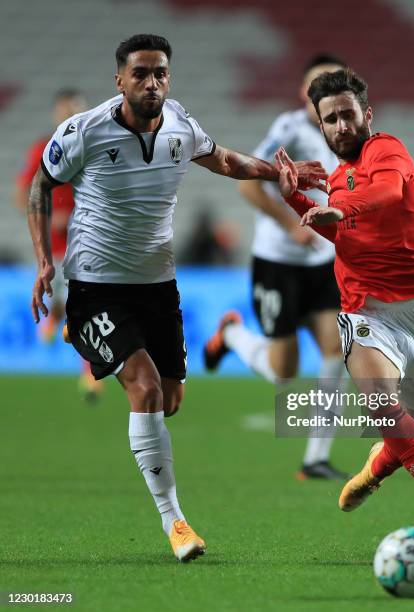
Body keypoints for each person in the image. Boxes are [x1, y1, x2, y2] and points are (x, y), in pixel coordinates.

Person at [27, 34, 327, 562]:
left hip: (157, 286)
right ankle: (177, 523)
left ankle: (99, 343)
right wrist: (44, 262)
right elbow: (39, 186)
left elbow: (228, 162)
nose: (152, 82)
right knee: (142, 389)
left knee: (169, 400)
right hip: (96, 286)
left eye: (160, 73)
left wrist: (279, 173)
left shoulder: (181, 126)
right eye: (140, 73)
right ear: (119, 80)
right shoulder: (84, 132)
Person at [274, 68, 414, 529]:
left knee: (410, 436)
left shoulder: (386, 150)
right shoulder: (337, 178)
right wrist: (296, 202)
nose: (341, 126)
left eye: (347, 114)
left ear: (366, 114)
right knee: (384, 410)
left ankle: (374, 469)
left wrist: (339, 207)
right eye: (330, 119)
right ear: (321, 126)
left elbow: (387, 193)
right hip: (365, 310)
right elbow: (341, 234)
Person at [204, 55, 349, 480]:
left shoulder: (344, 134)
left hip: (322, 262)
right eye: (313, 84)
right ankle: (231, 335)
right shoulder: (290, 129)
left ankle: (315, 459)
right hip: (278, 264)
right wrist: (291, 225)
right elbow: (249, 180)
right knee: (283, 371)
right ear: (303, 92)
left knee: (336, 351)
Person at [14, 89, 102, 401]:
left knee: (86, 308)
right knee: (70, 305)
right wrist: (51, 219)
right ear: (56, 114)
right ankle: (53, 318)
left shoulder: (95, 148)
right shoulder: (44, 148)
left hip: (90, 244)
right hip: (57, 249)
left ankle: (89, 373)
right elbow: (23, 193)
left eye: (76, 110)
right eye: (65, 111)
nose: (70, 116)